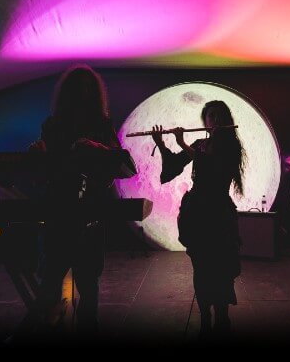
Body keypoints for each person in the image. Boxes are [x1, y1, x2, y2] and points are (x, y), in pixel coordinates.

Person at [18, 64, 128, 339]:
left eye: (87, 88)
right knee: (54, 278)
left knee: (87, 281)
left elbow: (118, 159)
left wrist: (95, 148)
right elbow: (43, 171)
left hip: (88, 210)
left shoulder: (101, 124)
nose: (83, 93)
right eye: (79, 88)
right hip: (59, 207)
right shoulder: (53, 124)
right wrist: (39, 153)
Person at [151, 100, 245, 339]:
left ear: (225, 118)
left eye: (217, 115)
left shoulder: (231, 146)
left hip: (219, 215)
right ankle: (205, 317)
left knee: (221, 267)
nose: (213, 120)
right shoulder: (201, 144)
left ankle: (222, 317)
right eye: (209, 116)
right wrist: (162, 144)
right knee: (201, 267)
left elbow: (214, 169)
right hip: (199, 216)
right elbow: (174, 166)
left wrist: (181, 141)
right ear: (205, 122)